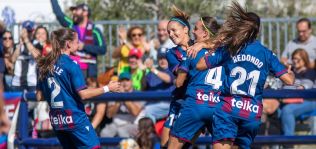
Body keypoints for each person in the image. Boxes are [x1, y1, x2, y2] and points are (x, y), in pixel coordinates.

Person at [196, 2, 295, 148]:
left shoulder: (230, 48)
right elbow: (289, 81)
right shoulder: (266, 54)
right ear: (258, 30)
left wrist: (213, 45)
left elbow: (200, 65)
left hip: (228, 109)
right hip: (251, 114)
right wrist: (290, 72)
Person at [36, 28, 120, 148]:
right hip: (74, 118)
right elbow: (83, 94)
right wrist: (107, 88)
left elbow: (39, 96)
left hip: (57, 120)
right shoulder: (72, 65)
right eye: (76, 42)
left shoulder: (44, 65)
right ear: (68, 44)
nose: (79, 44)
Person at [168, 16, 222, 149]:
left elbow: (179, 82)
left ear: (205, 33)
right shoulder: (224, 51)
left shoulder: (191, 51)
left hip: (194, 104)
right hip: (218, 106)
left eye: (196, 29)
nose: (193, 31)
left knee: (171, 144)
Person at [161, 5, 193, 148]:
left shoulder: (201, 46)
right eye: (169, 32)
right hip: (180, 100)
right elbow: (181, 76)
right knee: (165, 144)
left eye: (174, 30)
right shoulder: (171, 53)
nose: (171, 34)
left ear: (185, 29)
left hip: (200, 100)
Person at [51, 0, 106, 78]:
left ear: (85, 12)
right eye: (73, 10)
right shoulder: (71, 25)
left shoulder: (95, 30)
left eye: (76, 10)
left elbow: (103, 49)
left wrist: (84, 46)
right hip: (71, 68)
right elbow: (59, 15)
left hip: (89, 71)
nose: (74, 12)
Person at [281, 48, 316, 136]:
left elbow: (304, 87)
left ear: (304, 60)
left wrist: (289, 85)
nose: (295, 61)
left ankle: (288, 143)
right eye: (293, 58)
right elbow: (280, 86)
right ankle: (273, 143)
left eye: (298, 59)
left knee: (287, 110)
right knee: (273, 110)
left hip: (309, 101)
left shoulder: (310, 72)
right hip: (289, 100)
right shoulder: (290, 72)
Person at [100, 72, 143, 138]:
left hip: (132, 124)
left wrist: (123, 96)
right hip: (115, 124)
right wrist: (119, 98)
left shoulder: (138, 94)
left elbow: (135, 112)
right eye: (122, 81)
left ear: (132, 82)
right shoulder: (113, 94)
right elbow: (109, 115)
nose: (124, 83)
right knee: (104, 133)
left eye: (127, 80)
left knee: (122, 132)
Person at [11, 20, 40, 92]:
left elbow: (37, 57)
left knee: (32, 103)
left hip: (32, 82)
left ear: (33, 31)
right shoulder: (17, 44)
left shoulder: (36, 44)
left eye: (30, 31)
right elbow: (13, 60)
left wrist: (26, 40)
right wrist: (21, 43)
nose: (28, 33)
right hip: (17, 82)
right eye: (27, 31)